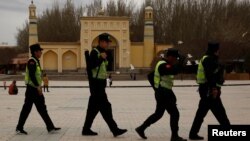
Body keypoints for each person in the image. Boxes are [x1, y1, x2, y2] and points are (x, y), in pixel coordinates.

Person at [135, 48, 187, 141]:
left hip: (163, 92)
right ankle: (174, 136)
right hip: (164, 93)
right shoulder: (163, 65)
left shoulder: (165, 64)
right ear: (170, 57)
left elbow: (150, 75)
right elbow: (174, 70)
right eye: (175, 58)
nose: (175, 60)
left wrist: (156, 88)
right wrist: (157, 88)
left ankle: (141, 128)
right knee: (175, 113)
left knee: (158, 114)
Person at [82, 33, 127, 137]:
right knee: (106, 107)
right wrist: (101, 58)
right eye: (107, 42)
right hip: (96, 84)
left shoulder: (104, 52)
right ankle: (114, 129)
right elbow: (91, 66)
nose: (108, 44)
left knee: (93, 109)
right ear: (101, 42)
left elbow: (108, 65)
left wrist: (107, 56)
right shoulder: (94, 52)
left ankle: (86, 129)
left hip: (100, 84)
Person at [189, 42, 230, 140]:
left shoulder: (207, 58)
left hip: (205, 89)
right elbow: (210, 75)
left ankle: (193, 134)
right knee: (220, 113)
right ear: (215, 50)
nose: (219, 51)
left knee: (201, 113)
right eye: (218, 49)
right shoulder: (208, 59)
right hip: (209, 90)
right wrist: (214, 89)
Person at [16, 43, 61, 135]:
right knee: (27, 109)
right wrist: (37, 86)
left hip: (35, 88)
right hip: (32, 89)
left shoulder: (36, 61)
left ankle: (50, 127)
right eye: (40, 51)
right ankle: (19, 127)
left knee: (42, 108)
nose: (41, 52)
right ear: (35, 52)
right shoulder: (31, 61)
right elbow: (32, 75)